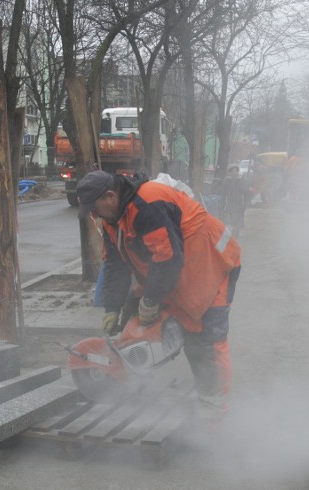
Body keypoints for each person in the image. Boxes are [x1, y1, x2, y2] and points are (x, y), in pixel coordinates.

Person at [76, 170, 241, 424]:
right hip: (182, 271)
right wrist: (113, 308)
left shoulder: (148, 204)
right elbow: (115, 266)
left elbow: (167, 259)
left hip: (214, 264)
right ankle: (141, 374)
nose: (94, 215)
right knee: (141, 315)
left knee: (205, 340)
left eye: (95, 208)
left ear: (110, 196)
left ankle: (214, 411)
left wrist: (151, 300)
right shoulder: (113, 219)